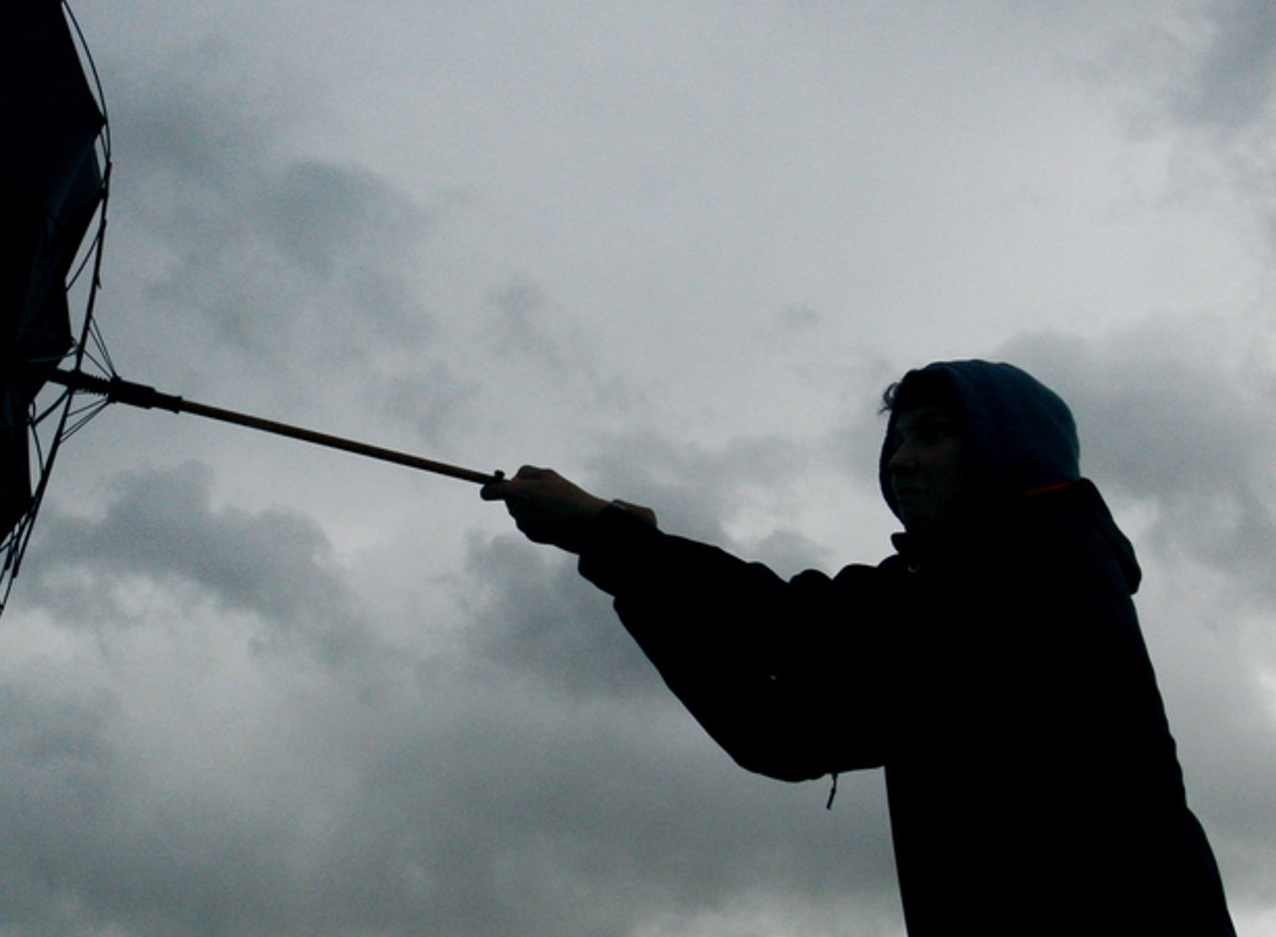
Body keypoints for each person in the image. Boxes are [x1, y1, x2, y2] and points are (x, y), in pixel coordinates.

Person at [482, 360, 1235, 934]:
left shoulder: (1044, 563)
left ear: (1012, 451)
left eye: (934, 434)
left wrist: (606, 536)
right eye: (897, 440)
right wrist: (629, 570)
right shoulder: (943, 610)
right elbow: (775, 733)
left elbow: (797, 625)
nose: (900, 461)